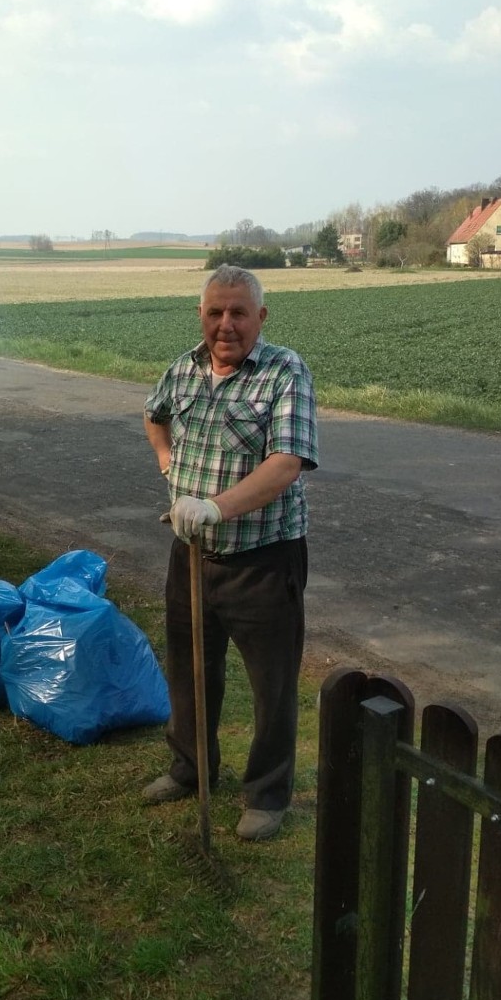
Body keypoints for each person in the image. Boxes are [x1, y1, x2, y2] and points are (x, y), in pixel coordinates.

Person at [143, 263, 319, 841]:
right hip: (191, 556)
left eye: (238, 312)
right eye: (216, 311)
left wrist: (216, 507)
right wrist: (169, 464)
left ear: (260, 317)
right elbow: (153, 415)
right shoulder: (182, 370)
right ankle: (191, 769)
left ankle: (266, 795)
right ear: (201, 314)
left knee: (272, 686)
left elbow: (286, 463)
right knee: (192, 671)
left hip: (263, 561)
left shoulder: (283, 372)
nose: (226, 324)